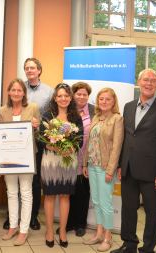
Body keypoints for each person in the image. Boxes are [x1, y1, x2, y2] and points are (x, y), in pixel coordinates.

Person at [111, 69, 156, 253]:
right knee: (128, 210)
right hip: (129, 169)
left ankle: (148, 249)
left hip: (153, 172)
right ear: (138, 82)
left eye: (153, 81)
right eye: (145, 80)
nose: (149, 83)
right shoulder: (128, 106)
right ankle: (129, 244)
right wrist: (120, 165)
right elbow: (125, 138)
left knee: (152, 213)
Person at [40, 83, 83, 248]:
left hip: (68, 161)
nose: (63, 98)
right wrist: (54, 145)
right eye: (60, 96)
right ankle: (49, 230)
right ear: (55, 98)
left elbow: (79, 139)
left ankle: (63, 230)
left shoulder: (75, 117)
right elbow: (42, 137)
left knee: (65, 196)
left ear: (70, 98)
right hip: (50, 161)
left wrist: (70, 148)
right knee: (50, 196)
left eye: (66, 96)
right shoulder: (47, 116)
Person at [0, 78, 40, 246]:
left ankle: (23, 230)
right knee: (11, 192)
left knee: (26, 193)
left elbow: (39, 135)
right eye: (13, 90)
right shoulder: (3, 110)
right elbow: (0, 135)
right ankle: (13, 227)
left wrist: (37, 127)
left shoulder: (33, 108)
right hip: (8, 158)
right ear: (9, 92)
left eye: (19, 90)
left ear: (24, 93)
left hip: (27, 157)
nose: (16, 93)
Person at [82, 88, 123, 252]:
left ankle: (108, 236)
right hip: (92, 165)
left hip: (106, 168)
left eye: (108, 99)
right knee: (97, 201)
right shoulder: (96, 117)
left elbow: (117, 147)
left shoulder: (117, 119)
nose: (104, 102)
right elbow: (89, 142)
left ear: (113, 102)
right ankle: (98, 233)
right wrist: (85, 164)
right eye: (101, 99)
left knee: (105, 204)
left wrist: (110, 170)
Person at [61, 82, 95, 237]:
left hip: (87, 157)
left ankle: (81, 224)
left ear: (88, 96)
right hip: (68, 157)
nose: (81, 97)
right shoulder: (67, 110)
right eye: (78, 94)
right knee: (69, 191)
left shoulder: (94, 111)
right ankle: (68, 223)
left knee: (83, 191)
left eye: (85, 94)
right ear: (73, 95)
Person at [23, 57, 53, 230]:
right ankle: (17, 215)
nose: (29, 70)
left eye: (32, 68)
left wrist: (40, 124)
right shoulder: (19, 88)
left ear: (39, 70)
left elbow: (51, 117)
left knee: (34, 180)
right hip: (19, 140)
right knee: (18, 177)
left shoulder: (49, 92)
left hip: (39, 140)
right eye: (27, 68)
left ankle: (33, 216)